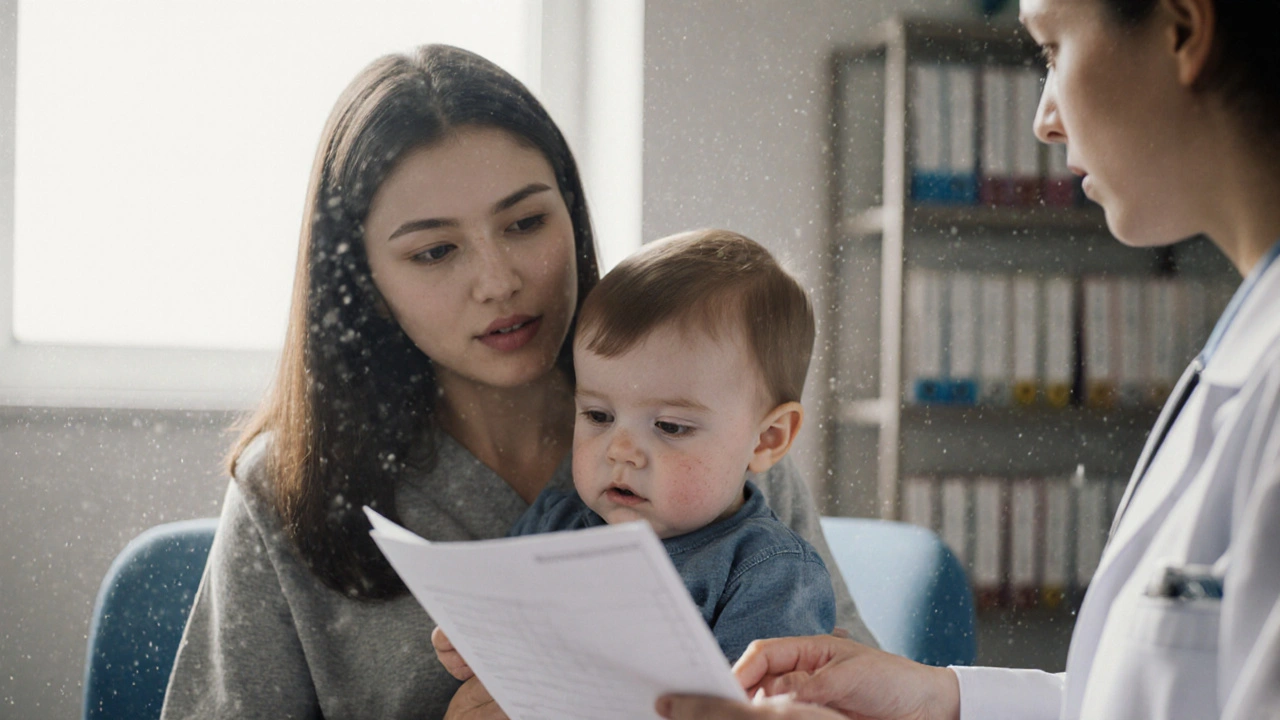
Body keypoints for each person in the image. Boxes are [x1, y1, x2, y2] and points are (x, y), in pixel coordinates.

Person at [160, 45, 875, 720]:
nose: (498, 281)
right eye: (435, 251)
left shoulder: (716, 431)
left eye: (527, 222)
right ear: (368, 285)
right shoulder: (286, 490)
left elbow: (859, 695)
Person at [656, 0, 1280, 718]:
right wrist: (939, 698)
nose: (1044, 118)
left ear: (1180, 30)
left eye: (1052, 49)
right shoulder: (1241, 354)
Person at [432, 230, 837, 690]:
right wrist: (473, 640)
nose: (619, 450)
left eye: (669, 426)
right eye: (599, 416)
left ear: (766, 439)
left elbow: (757, 707)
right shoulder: (555, 523)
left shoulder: (771, 573)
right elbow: (495, 629)